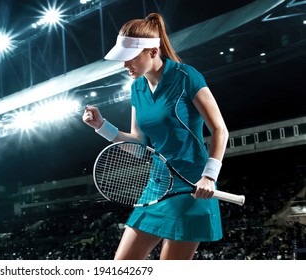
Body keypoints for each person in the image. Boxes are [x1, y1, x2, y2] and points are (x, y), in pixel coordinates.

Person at [82, 13, 229, 260]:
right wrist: (101, 126)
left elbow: (219, 129)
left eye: (129, 58)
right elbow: (140, 145)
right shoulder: (137, 88)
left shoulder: (186, 76)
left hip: (192, 187)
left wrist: (209, 176)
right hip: (157, 186)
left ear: (151, 51)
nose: (124, 65)